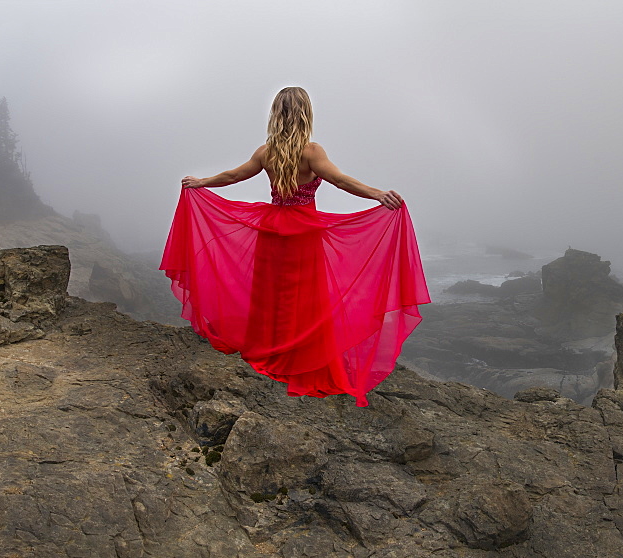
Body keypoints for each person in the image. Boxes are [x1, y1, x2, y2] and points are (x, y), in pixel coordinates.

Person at [161, 87, 430, 407]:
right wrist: (377, 194)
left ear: (276, 114)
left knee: (270, 295)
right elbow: (341, 181)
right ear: (306, 114)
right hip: (303, 232)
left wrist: (202, 182)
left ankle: (271, 351)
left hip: (272, 230)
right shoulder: (312, 152)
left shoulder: (266, 152)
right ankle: (301, 360)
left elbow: (233, 175)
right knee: (306, 299)